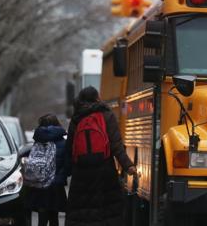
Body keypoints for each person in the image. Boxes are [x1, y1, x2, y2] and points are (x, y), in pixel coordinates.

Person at [65, 86, 136, 226]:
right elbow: (116, 145)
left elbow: (69, 147)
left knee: (81, 210)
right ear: (97, 97)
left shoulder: (77, 118)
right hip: (104, 170)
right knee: (107, 210)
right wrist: (128, 166)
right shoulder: (106, 114)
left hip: (81, 172)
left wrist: (68, 169)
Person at [25, 114, 68, 226]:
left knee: (42, 215)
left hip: (39, 185)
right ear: (57, 124)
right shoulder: (63, 143)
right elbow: (68, 166)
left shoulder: (38, 142)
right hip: (56, 185)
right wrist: (61, 176)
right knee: (54, 216)